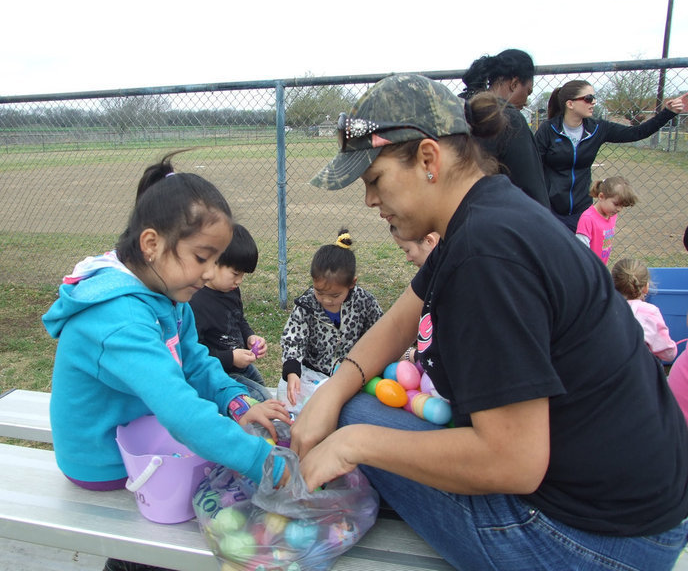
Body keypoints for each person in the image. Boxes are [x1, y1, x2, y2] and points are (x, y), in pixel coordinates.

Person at [295, 73, 688, 571]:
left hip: (594, 541)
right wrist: (333, 387)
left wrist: (352, 444)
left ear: (428, 159)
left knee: (356, 423)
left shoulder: (486, 254)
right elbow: (401, 319)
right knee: (348, 405)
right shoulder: (489, 210)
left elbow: (514, 462)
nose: (370, 201)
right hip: (637, 514)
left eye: (374, 181)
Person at [41, 154, 291, 571]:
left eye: (217, 260)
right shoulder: (118, 319)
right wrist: (263, 463)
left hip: (141, 434)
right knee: (177, 533)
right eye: (202, 258)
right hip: (106, 462)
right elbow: (179, 409)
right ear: (152, 245)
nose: (211, 275)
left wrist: (236, 402)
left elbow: (194, 359)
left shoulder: (166, 294)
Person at [535, 81, 686, 232]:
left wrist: (668, 112)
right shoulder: (548, 130)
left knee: (581, 254)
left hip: (581, 211)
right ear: (570, 104)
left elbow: (637, 132)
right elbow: (533, 167)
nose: (593, 102)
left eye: (594, 97)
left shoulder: (598, 129)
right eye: (588, 98)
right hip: (550, 210)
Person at [278, 229, 383, 410]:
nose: (326, 300)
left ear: (352, 283)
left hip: (351, 374)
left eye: (335, 295)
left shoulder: (364, 302)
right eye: (319, 292)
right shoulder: (306, 305)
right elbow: (293, 338)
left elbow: (380, 332)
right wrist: (293, 371)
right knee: (292, 399)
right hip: (312, 373)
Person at [190, 223, 272, 402]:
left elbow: (238, 320)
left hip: (239, 365)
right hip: (218, 373)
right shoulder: (196, 302)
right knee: (260, 398)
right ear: (213, 262)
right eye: (235, 273)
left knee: (262, 395)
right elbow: (196, 352)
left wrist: (250, 337)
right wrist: (230, 358)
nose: (239, 281)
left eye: (243, 275)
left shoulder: (231, 290)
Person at [459, 49, 549, 208]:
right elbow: (532, 191)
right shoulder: (511, 120)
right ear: (514, 84)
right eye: (527, 92)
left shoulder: (458, 110)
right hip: (498, 221)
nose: (526, 101)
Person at [611, 258, 678, 363]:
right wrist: (673, 349)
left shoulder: (604, 307)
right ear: (646, 287)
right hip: (637, 371)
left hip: (607, 368)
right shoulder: (649, 312)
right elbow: (667, 353)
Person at [575, 176, 637, 265]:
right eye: (616, 204)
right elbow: (581, 251)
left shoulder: (611, 215)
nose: (619, 209)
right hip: (589, 269)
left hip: (601, 267)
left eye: (622, 206)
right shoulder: (588, 218)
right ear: (601, 196)